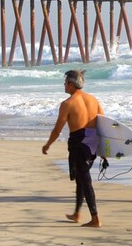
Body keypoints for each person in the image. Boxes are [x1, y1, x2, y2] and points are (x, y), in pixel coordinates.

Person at [41, 70, 104, 228]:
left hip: (79, 144)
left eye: (65, 82)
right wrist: (104, 149)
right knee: (81, 179)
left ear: (71, 84)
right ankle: (77, 213)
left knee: (86, 181)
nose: (64, 85)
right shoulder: (93, 100)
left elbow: (57, 130)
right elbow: (104, 124)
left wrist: (48, 144)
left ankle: (95, 219)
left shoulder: (67, 104)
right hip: (92, 143)